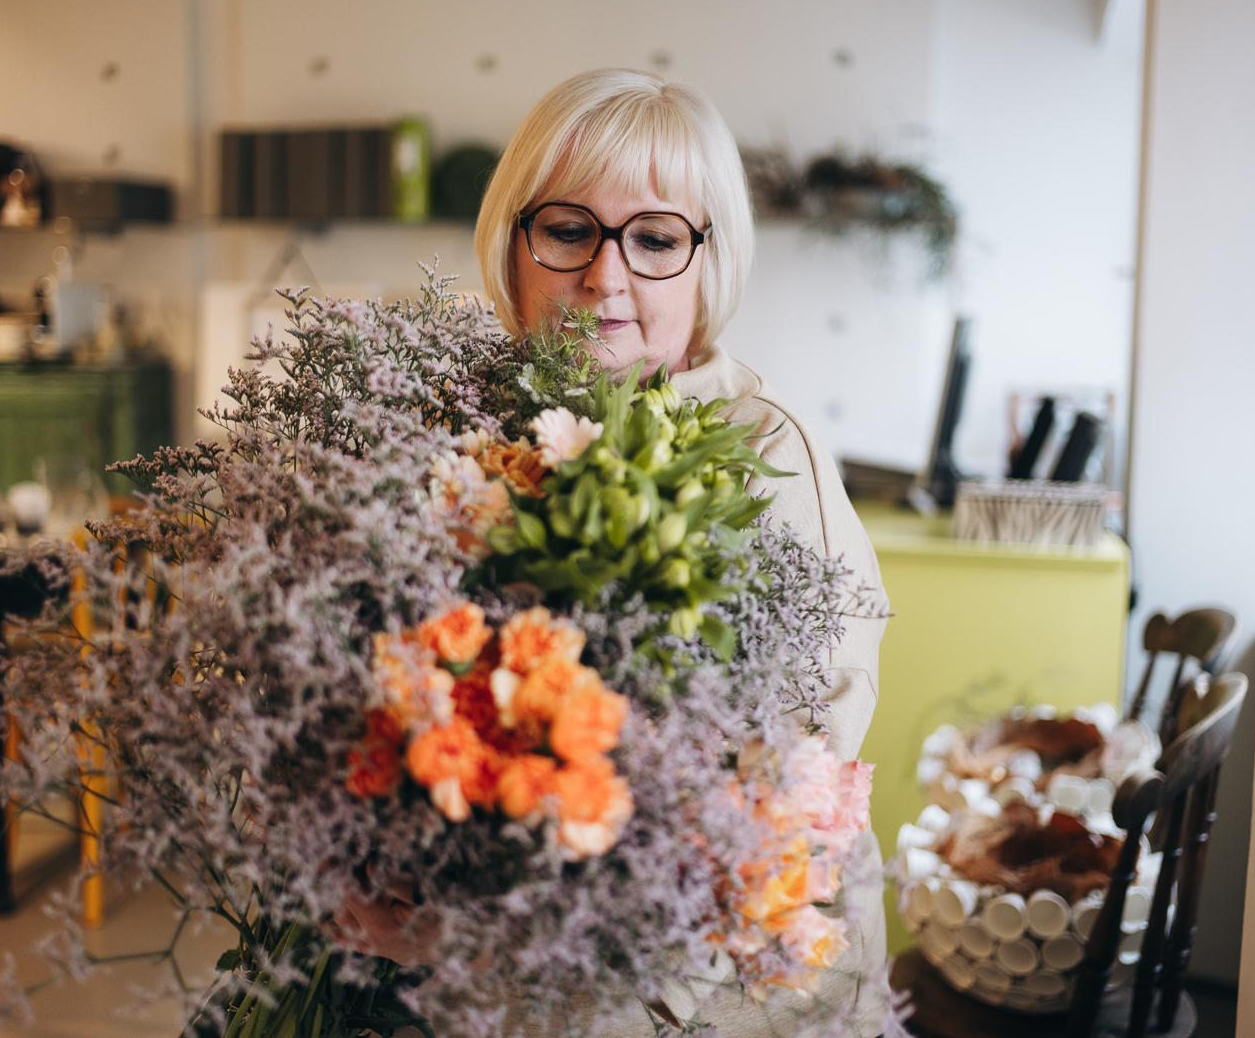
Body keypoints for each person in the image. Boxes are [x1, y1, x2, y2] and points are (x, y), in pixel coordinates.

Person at [344, 68, 890, 1036]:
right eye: (567, 231)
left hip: (706, 993)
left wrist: (477, 937)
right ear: (512, 246)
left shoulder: (767, 456)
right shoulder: (460, 434)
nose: (605, 276)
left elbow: (779, 792)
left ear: (707, 261)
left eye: (655, 239)